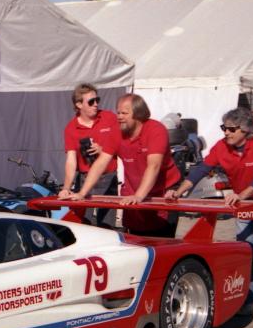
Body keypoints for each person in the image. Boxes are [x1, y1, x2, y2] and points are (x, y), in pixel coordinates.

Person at [165, 107, 253, 315]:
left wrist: (241, 195)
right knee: (245, 249)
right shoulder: (221, 147)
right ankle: (250, 296)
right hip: (243, 202)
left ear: (245, 130)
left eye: (231, 129)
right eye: (224, 128)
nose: (225, 132)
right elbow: (200, 170)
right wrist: (178, 192)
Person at [116, 93, 183, 237]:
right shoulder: (119, 131)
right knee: (135, 239)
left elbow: (154, 166)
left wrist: (139, 196)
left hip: (163, 191)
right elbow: (103, 160)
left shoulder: (156, 130)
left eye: (124, 113)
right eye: (118, 112)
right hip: (134, 192)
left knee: (161, 243)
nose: (119, 116)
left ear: (138, 114)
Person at [59, 83, 121, 228]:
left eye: (97, 100)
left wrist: (104, 150)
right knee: (81, 224)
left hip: (108, 177)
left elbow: (123, 146)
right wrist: (66, 187)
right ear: (79, 104)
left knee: (107, 225)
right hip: (84, 178)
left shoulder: (109, 118)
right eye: (91, 101)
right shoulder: (71, 128)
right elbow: (71, 160)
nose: (96, 104)